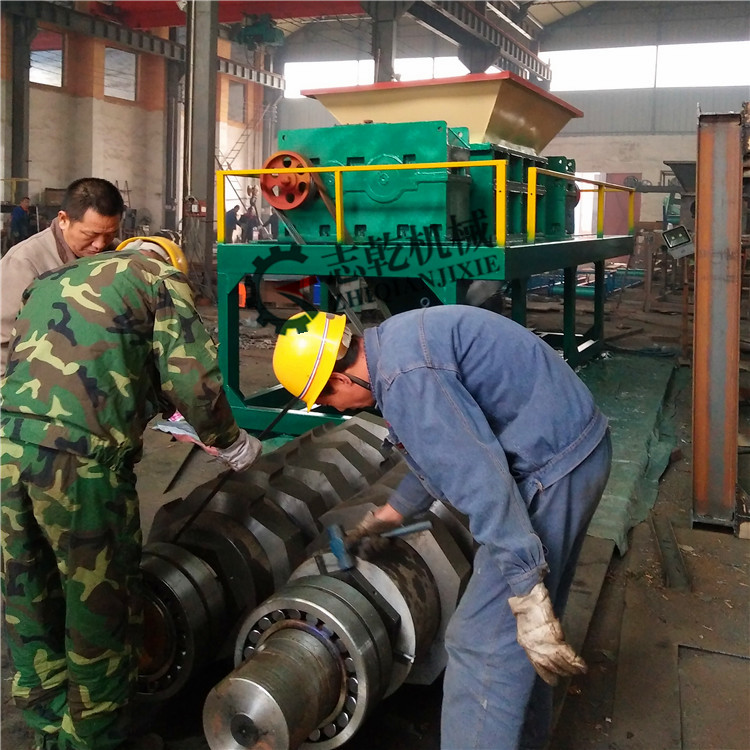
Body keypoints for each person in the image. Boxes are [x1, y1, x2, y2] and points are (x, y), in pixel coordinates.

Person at [272, 305, 612, 750]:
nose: (333, 410)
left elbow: (481, 479)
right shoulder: (396, 347)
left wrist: (526, 586)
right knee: (522, 645)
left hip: (552, 471)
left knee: (479, 646)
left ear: (338, 381)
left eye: (324, 402)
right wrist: (389, 516)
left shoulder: (405, 379)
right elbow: (443, 448)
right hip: (576, 450)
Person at [0, 235, 262, 750]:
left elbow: (60, 365)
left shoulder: (50, 280)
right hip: (79, 467)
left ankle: (47, 730)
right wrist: (229, 441)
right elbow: (193, 379)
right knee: (101, 612)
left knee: (30, 596)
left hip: (7, 448)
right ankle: (94, 741)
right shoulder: (158, 278)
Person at [0, 177, 125, 371]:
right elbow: (3, 341)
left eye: (109, 234)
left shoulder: (117, 254)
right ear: (63, 220)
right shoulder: (24, 263)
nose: (99, 244)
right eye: (90, 235)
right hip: (39, 379)